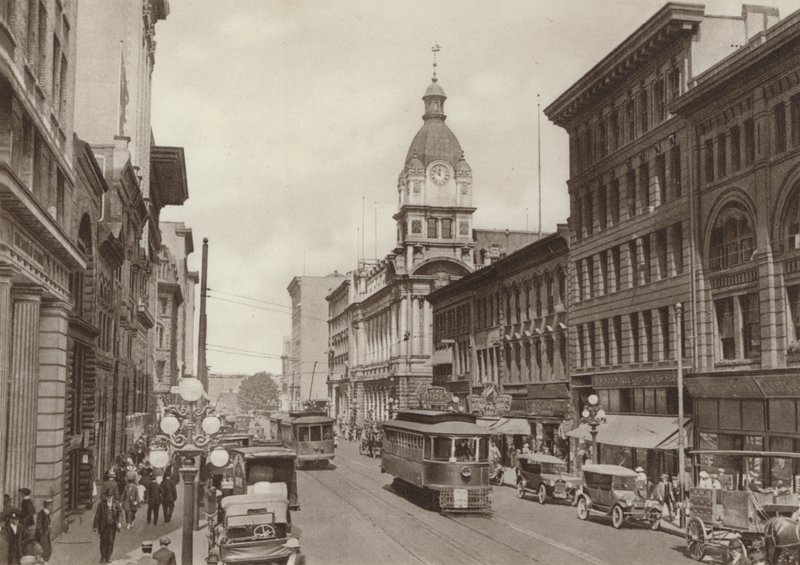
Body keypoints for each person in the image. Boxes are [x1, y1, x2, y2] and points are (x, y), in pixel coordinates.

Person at [93, 489, 121, 564]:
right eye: (108, 496)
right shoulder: (101, 504)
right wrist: (95, 526)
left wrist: (119, 522)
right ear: (106, 497)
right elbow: (97, 515)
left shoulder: (115, 504)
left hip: (112, 526)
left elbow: (120, 513)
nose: (109, 498)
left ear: (113, 496)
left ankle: (108, 557)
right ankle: (103, 557)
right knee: (103, 541)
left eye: (111, 496)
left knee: (111, 541)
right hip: (103, 527)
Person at [35, 499, 52, 564]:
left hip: (46, 534)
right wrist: (42, 534)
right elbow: (39, 525)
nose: (52, 507)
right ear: (48, 506)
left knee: (49, 551)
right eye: (51, 505)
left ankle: (44, 562)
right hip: (43, 535)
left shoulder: (47, 513)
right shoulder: (41, 514)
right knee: (46, 551)